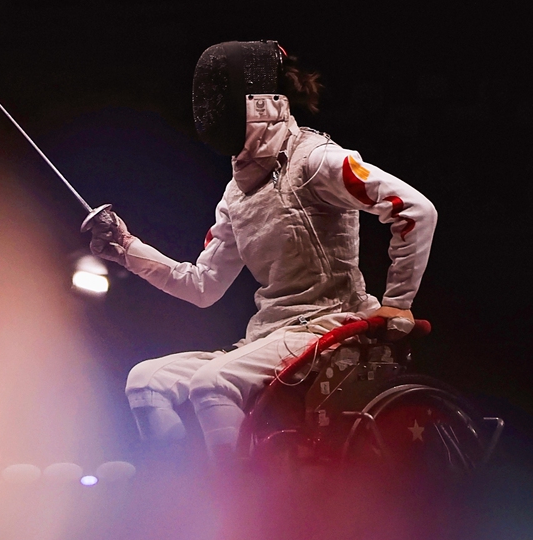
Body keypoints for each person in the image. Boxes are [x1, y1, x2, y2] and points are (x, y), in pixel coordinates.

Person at [86, 41, 436, 459]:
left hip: (329, 326)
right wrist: (127, 248)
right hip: (269, 337)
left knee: (212, 383)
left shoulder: (316, 160)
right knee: (145, 382)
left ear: (257, 101)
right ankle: (179, 496)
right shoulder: (236, 193)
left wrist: (397, 304)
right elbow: (203, 285)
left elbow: (415, 209)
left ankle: (235, 505)